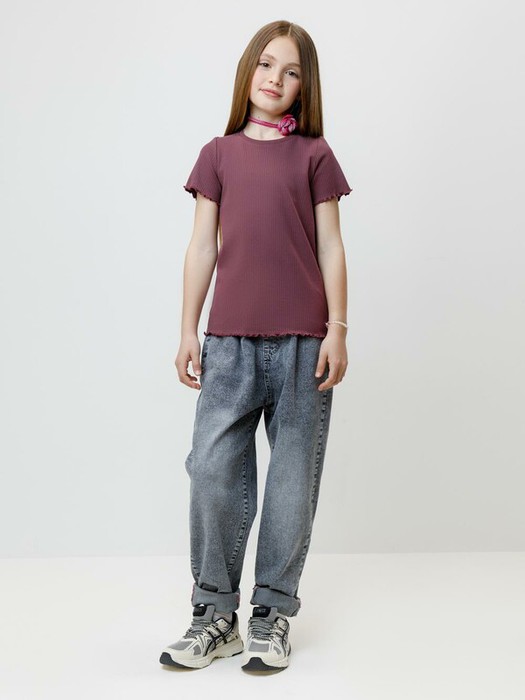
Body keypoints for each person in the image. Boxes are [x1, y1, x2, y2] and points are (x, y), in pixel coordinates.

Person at [159, 19, 352, 674]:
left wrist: (338, 328)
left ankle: (271, 614)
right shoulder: (217, 154)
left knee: (292, 481)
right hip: (229, 343)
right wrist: (187, 329)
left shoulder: (314, 155)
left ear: (304, 86)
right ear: (248, 70)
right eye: (267, 64)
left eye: (291, 71)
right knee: (212, 469)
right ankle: (215, 615)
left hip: (303, 343)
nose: (276, 78)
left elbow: (331, 245)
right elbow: (201, 246)